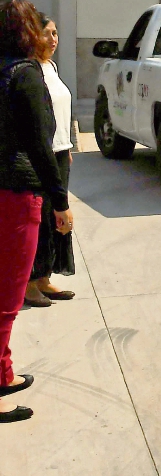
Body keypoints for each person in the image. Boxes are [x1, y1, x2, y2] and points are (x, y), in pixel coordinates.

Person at [0, 0, 72, 424]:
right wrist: (60, 203)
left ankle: (4, 373)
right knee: (7, 300)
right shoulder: (26, 77)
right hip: (17, 193)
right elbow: (41, 148)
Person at [24, 17, 75, 308]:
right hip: (40, 157)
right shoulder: (28, 71)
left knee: (58, 220)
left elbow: (60, 112)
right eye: (46, 34)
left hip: (60, 153)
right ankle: (30, 282)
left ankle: (44, 278)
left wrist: (66, 146)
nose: (53, 39)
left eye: (56, 33)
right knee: (41, 218)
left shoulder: (52, 68)